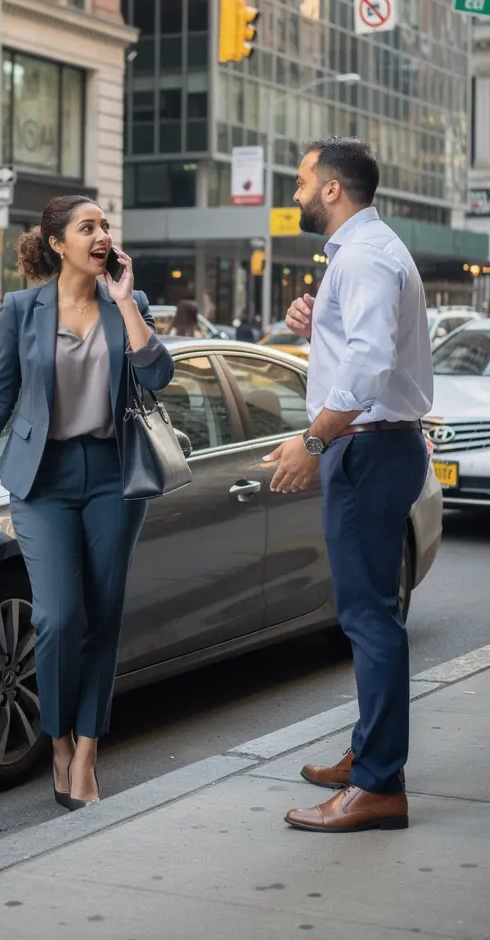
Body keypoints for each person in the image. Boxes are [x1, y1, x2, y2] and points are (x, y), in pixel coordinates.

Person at [0, 195, 174, 809]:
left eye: (105, 226)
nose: (101, 235)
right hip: (42, 481)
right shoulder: (22, 311)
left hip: (112, 477)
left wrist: (127, 302)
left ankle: (89, 754)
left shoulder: (127, 305)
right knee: (56, 619)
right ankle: (58, 741)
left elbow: (158, 375)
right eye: (87, 227)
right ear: (57, 243)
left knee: (102, 617)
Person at [265, 138, 431, 834]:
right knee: (368, 616)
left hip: (365, 450)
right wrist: (315, 319)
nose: (297, 192)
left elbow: (366, 365)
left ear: (332, 189)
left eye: (304, 181)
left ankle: (377, 785)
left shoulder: (363, 257)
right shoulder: (363, 254)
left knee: (369, 621)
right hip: (376, 449)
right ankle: (370, 751)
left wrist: (312, 439)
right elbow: (358, 344)